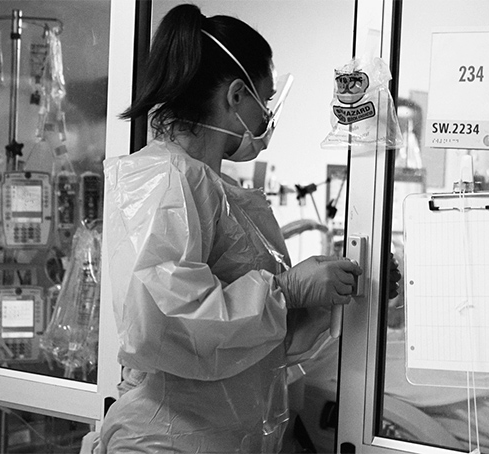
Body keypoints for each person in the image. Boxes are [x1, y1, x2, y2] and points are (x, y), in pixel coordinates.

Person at [94, 4, 363, 453]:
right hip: (162, 441)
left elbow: (250, 342)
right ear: (237, 95)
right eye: (265, 98)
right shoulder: (164, 182)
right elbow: (166, 322)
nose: (266, 118)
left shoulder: (214, 190)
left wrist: (337, 292)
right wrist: (286, 290)